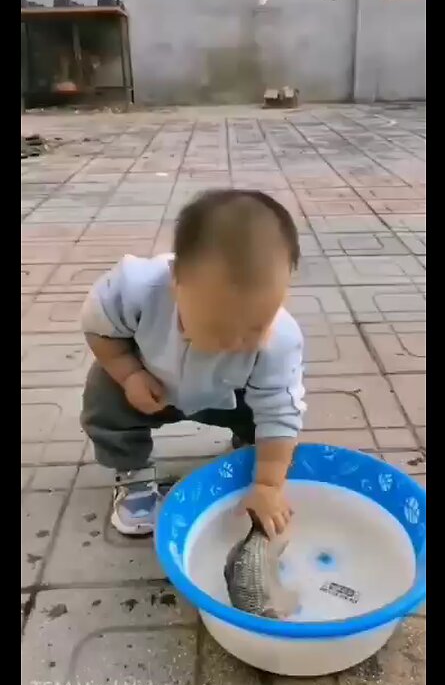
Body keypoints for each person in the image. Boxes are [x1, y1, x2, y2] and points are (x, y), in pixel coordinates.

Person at [79, 189, 307, 537]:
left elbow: (280, 410)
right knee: (104, 396)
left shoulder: (281, 337)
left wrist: (268, 485)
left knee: (270, 423)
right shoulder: (136, 289)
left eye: (256, 326)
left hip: (225, 395)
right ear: (176, 282)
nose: (237, 343)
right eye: (219, 328)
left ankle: (249, 454)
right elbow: (98, 327)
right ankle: (135, 476)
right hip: (149, 385)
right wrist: (128, 373)